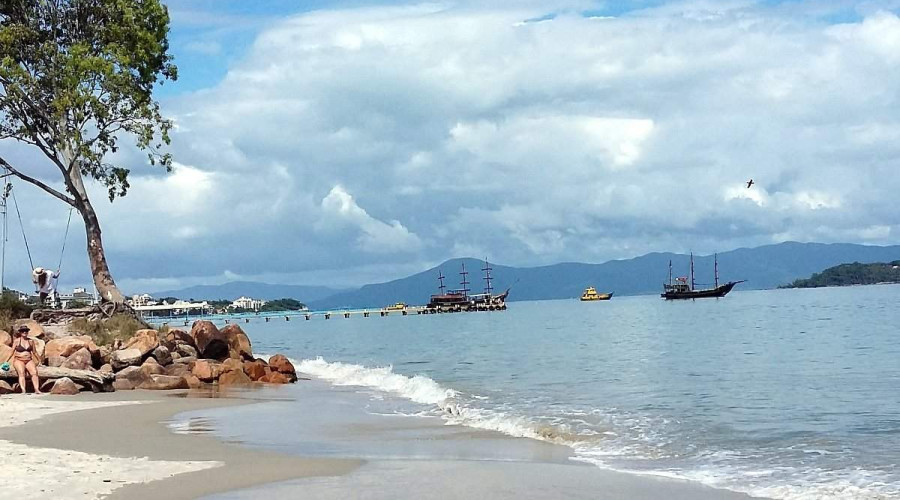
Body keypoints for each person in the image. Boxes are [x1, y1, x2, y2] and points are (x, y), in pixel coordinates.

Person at [8, 325, 42, 394]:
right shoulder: (17, 341)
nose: (24, 332)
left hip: (29, 359)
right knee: (21, 373)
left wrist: (40, 360)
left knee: (34, 373)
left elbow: (34, 352)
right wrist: (6, 361)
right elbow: (12, 351)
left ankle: (36, 389)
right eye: (23, 331)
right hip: (19, 359)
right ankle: (23, 390)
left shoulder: (31, 341)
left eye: (26, 331)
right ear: (20, 332)